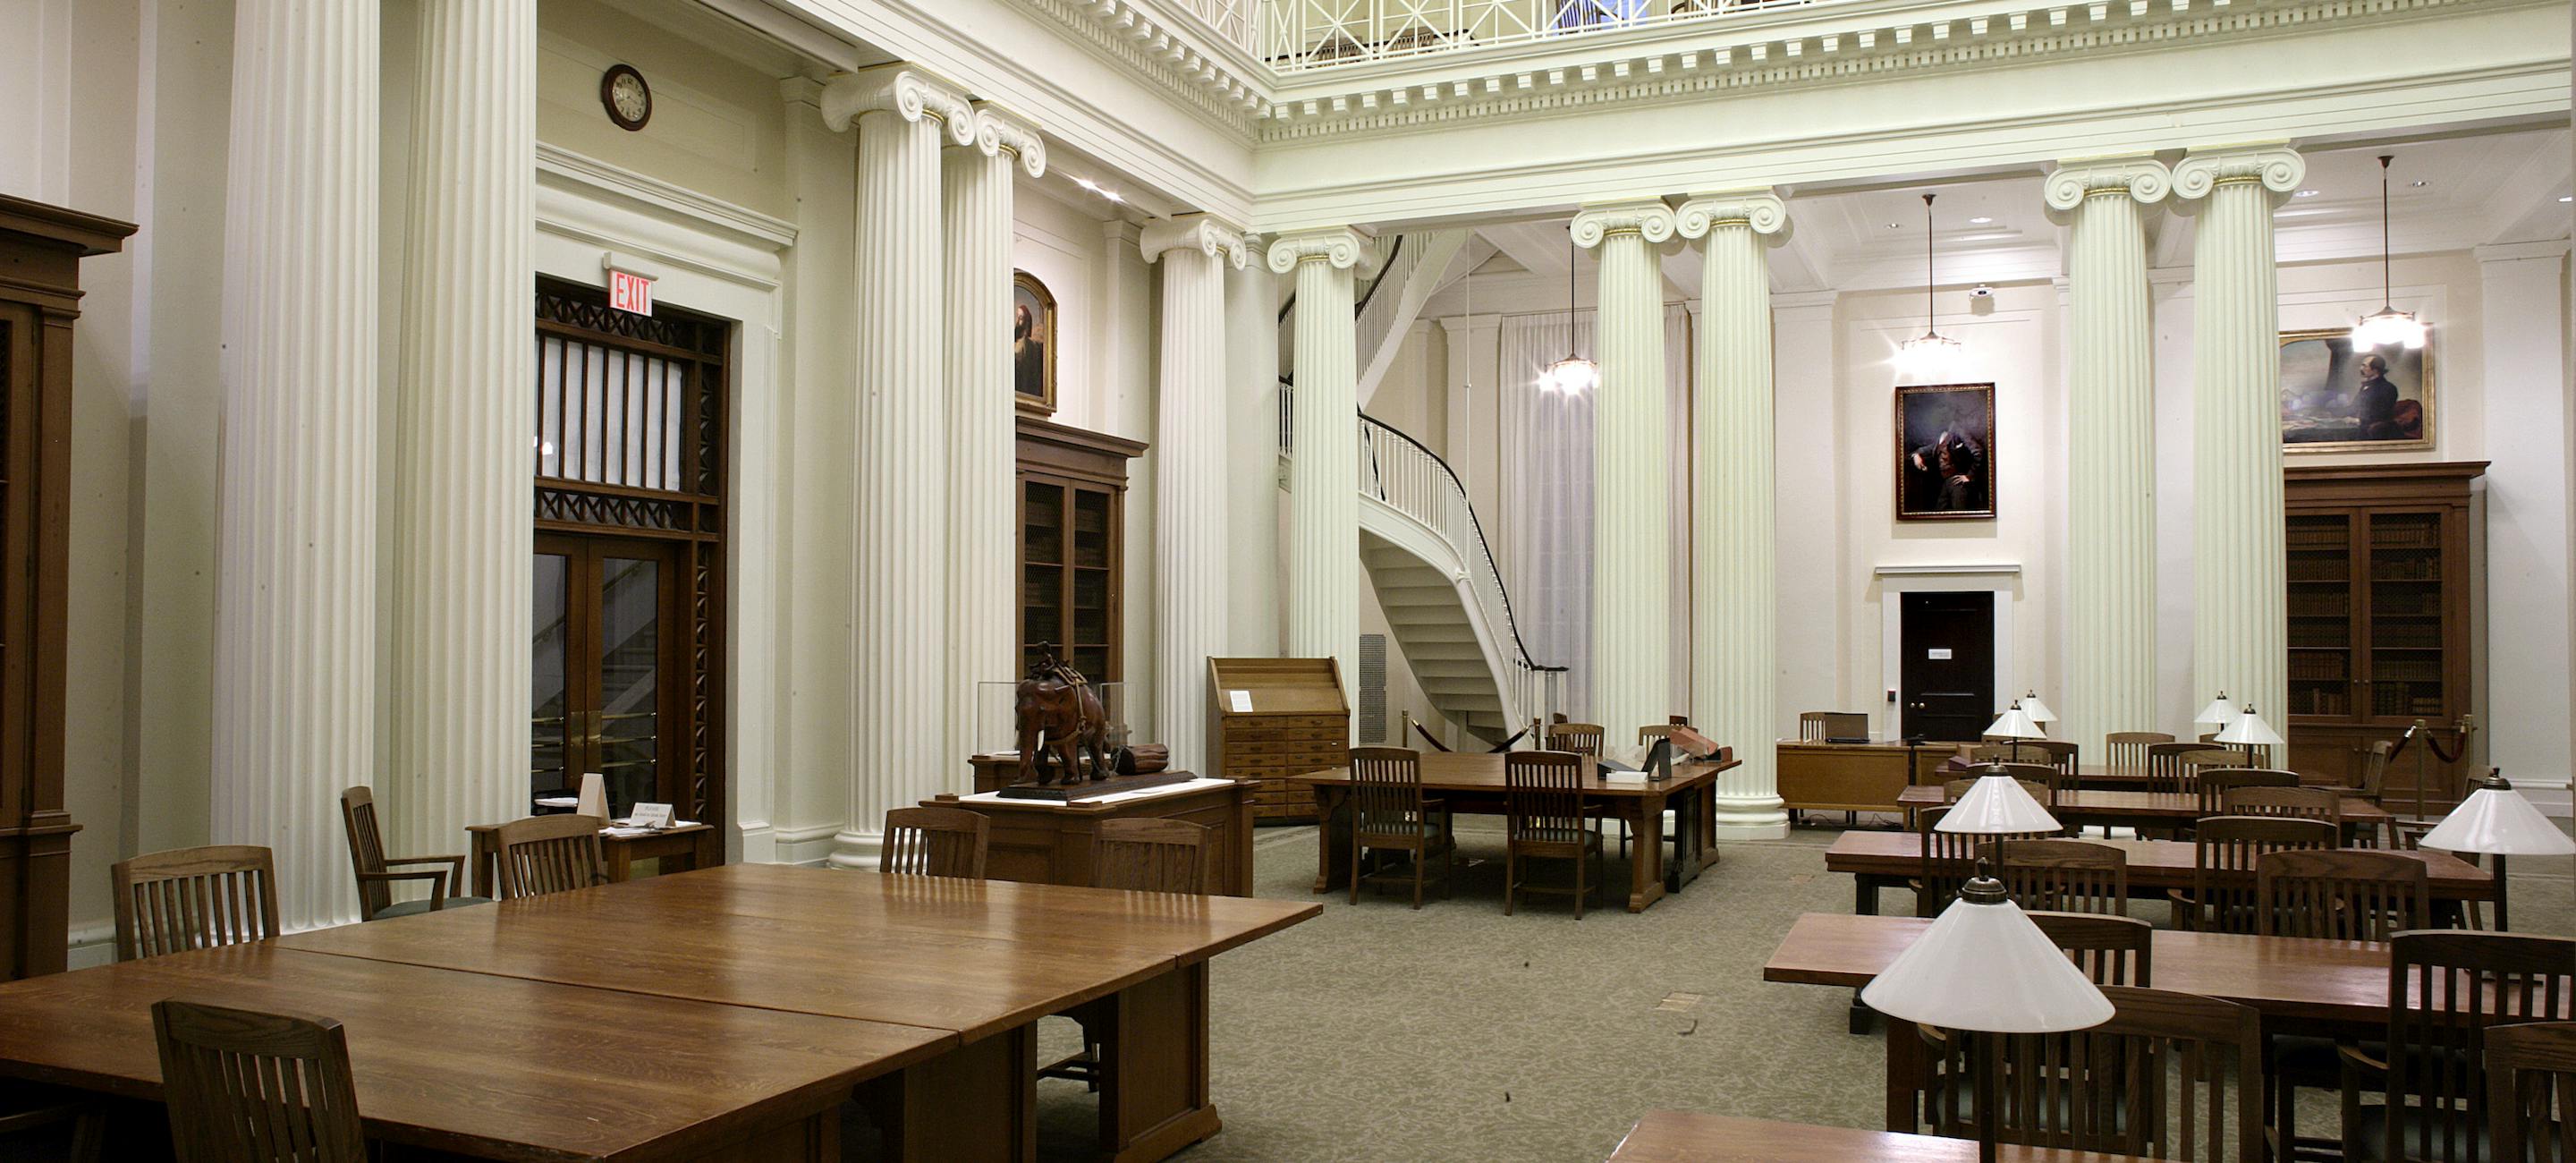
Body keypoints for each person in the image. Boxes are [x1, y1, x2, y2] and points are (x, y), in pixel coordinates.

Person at [1908, 399, 1986, 512]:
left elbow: (1978, 452)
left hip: (1958, 483)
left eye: (1942, 413)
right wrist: (1916, 455)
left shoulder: (1959, 431)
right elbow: (1927, 449)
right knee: (1940, 512)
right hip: (1946, 482)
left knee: (1959, 517)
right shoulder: (1942, 435)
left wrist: (1969, 476)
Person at [2349, 352, 2401, 439]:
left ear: (2375, 370)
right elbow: (2354, 407)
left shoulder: (2388, 388)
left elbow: (2382, 414)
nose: (2361, 368)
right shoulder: (2365, 387)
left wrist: (2358, 420)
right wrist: (2331, 413)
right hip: (2362, 429)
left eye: (2364, 366)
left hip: (2377, 433)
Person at [1013, 301, 1046, 398]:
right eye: (1017, 317)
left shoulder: (1025, 344)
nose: (1018, 321)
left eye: (1021, 318)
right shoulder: (1019, 343)